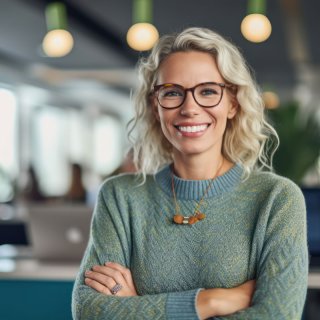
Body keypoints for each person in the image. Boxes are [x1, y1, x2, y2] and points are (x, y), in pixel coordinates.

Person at [72, 27, 308, 319]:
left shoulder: (277, 199)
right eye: (172, 93)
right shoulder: (120, 196)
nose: (190, 108)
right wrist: (212, 302)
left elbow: (278, 316)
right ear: (154, 105)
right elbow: (89, 310)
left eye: (208, 91)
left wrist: (137, 307)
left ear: (232, 103)